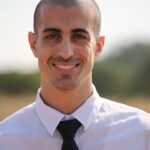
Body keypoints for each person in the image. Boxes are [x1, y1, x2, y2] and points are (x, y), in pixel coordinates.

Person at [0, 0, 150, 149]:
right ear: (34, 44)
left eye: (79, 37)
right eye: (52, 36)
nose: (66, 53)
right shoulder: (4, 140)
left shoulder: (143, 134)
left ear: (98, 46)